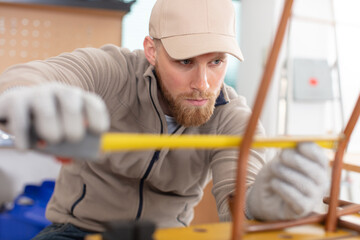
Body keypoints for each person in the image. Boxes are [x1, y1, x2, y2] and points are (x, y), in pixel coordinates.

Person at [0, 0, 329, 239]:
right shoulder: (113, 71)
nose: (203, 83)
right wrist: (24, 96)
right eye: (185, 61)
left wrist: (260, 204)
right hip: (76, 231)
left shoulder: (233, 117)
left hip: (170, 236)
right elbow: (32, 76)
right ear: (152, 51)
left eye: (216, 61)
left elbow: (237, 198)